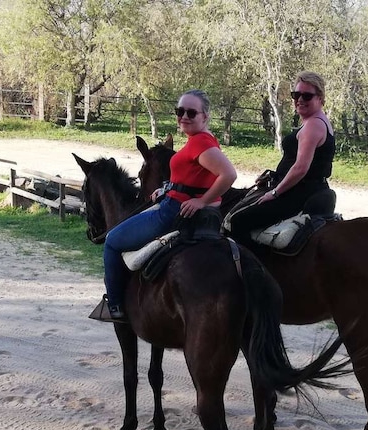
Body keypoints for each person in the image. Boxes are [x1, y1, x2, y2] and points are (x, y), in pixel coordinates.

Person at [96, 89, 237, 322]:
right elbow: (194, 177)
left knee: (112, 242)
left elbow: (228, 174)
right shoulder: (202, 140)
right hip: (174, 201)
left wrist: (201, 201)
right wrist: (167, 189)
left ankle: (115, 306)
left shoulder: (201, 144)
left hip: (172, 212)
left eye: (191, 112)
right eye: (180, 111)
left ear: (205, 116)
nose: (184, 116)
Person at [228, 71, 335, 247]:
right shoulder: (315, 121)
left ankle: (256, 272)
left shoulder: (314, 125)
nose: (300, 99)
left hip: (300, 192)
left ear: (320, 98)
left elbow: (300, 168)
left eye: (306, 96)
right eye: (296, 95)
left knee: (238, 222)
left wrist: (275, 193)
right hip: (307, 188)